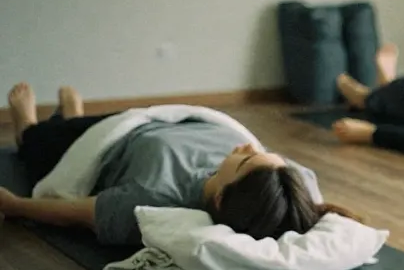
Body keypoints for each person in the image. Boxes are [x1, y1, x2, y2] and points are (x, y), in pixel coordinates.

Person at [0, 82, 356, 246]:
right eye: (261, 152)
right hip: (161, 117)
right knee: (68, 128)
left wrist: (16, 206)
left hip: (111, 141)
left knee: (39, 143)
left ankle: (27, 127)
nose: (248, 144)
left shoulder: (155, 200)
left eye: (245, 158)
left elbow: (74, 211)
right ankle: (70, 118)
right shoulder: (291, 183)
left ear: (220, 198)